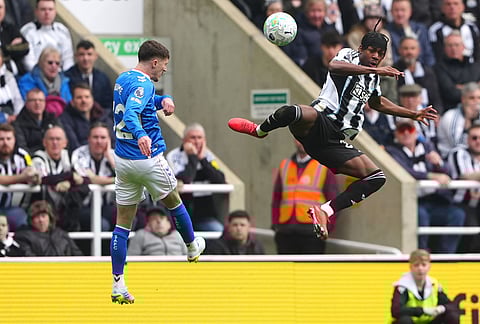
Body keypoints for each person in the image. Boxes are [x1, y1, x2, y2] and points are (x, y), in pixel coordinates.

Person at [229, 28, 438, 240]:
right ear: (361, 49)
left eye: (380, 54)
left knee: (377, 177)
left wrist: (412, 113)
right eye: (372, 51)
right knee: (292, 111)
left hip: (333, 141)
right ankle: (259, 131)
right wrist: (375, 71)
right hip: (318, 121)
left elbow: (377, 103)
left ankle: (325, 211)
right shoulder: (348, 55)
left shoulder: (372, 80)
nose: (376, 57)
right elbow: (334, 67)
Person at [110, 40, 205, 305]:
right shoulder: (144, 83)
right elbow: (131, 113)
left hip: (124, 161)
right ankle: (191, 247)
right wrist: (141, 134)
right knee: (174, 201)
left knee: (122, 225)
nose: (163, 71)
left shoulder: (124, 79)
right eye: (163, 67)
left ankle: (118, 283)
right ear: (154, 62)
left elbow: (141, 102)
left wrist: (165, 100)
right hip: (147, 158)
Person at [386, 119, 465, 253]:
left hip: (435, 199)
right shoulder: (392, 151)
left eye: (409, 129)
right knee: (421, 216)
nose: (406, 133)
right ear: (396, 134)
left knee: (457, 215)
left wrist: (439, 163)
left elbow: (448, 172)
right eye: (401, 130)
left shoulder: (428, 147)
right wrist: (430, 176)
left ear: (416, 132)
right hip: (413, 201)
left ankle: (446, 256)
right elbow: (405, 171)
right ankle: (421, 255)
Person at [272, 139, 338, 254]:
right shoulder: (285, 165)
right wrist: (275, 223)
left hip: (312, 232)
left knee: (311, 271)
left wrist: (327, 226)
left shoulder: (323, 166)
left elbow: (333, 201)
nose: (302, 142)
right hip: (285, 231)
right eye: (299, 139)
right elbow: (277, 198)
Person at [166, 122, 226, 231]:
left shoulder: (208, 156)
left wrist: (203, 159)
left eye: (200, 138)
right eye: (193, 138)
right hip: (181, 212)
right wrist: (193, 157)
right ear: (184, 140)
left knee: (218, 230)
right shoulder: (173, 156)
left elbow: (220, 179)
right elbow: (185, 179)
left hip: (205, 215)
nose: (197, 141)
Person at [31, 125, 89, 231]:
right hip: (43, 208)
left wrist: (69, 184)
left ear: (65, 143)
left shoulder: (71, 156)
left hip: (66, 209)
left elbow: (85, 179)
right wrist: (70, 176)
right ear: (44, 142)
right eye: (51, 139)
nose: (55, 143)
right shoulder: (38, 157)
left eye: (58, 139)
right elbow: (43, 179)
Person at [390, 249, 460, 323]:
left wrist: (442, 308)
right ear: (410, 267)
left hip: (429, 321)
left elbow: (452, 306)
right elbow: (396, 310)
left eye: (424, 265)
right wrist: (422, 310)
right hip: (411, 322)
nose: (420, 269)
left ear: (429, 267)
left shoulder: (434, 284)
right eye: (416, 265)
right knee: (404, 320)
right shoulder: (402, 286)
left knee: (452, 315)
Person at [71, 122, 115, 231]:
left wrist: (109, 158)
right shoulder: (79, 153)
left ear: (108, 140)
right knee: (102, 225)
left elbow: (129, 178)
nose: (99, 141)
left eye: (103, 137)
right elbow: (92, 179)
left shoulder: (114, 155)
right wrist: (118, 180)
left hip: (107, 206)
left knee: (131, 220)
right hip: (83, 206)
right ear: (88, 139)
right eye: (95, 137)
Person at [0, 123, 40, 231]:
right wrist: (21, 177)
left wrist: (35, 177)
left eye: (9, 139)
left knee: (23, 226)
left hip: (16, 209)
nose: (5, 143)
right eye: (1, 139)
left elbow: (32, 170)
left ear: (14, 140)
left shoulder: (23, 155)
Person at [447, 124, 480, 253]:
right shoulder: (458, 153)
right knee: (471, 229)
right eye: (474, 138)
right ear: (467, 139)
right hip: (459, 202)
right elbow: (463, 175)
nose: (478, 141)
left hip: (477, 203)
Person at [393, 36, 443, 114]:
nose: (409, 52)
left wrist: (437, 114)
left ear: (418, 51)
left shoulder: (428, 72)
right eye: (406, 48)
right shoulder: (394, 71)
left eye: (412, 48)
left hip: (427, 114)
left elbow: (435, 98)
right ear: (399, 50)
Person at [14, 200, 83, 256]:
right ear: (31, 220)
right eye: (37, 217)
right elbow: (29, 259)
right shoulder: (23, 236)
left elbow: (78, 256)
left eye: (43, 216)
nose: (41, 220)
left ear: (50, 218)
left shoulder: (61, 234)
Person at [20, 0, 74, 72]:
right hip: (35, 77)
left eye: (50, 9)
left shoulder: (63, 30)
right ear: (36, 11)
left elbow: (68, 60)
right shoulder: (27, 31)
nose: (47, 13)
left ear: (55, 12)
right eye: (43, 9)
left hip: (60, 76)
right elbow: (28, 62)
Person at [433, 31, 480, 111]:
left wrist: (461, 87)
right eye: (450, 45)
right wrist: (475, 86)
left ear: (463, 46)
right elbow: (451, 93)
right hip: (452, 110)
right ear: (444, 48)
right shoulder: (439, 68)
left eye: (456, 45)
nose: (453, 48)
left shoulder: (475, 66)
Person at [17, 46, 72, 113]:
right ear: (41, 63)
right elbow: (30, 105)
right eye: (50, 63)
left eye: (57, 63)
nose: (54, 66)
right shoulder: (27, 81)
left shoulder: (64, 82)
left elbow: (69, 105)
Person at [65, 40, 113, 113]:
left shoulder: (103, 78)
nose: (85, 58)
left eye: (89, 54)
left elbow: (108, 104)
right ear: (76, 56)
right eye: (82, 54)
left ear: (95, 56)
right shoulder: (67, 77)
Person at [60, 83, 110, 153]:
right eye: (79, 97)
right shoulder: (65, 119)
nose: (83, 101)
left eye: (87, 97)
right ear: (72, 102)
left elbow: (113, 142)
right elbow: (73, 146)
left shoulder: (103, 116)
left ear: (92, 99)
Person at [386, 0, 436, 67]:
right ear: (391, 12)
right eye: (396, 10)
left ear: (410, 12)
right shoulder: (387, 31)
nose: (399, 14)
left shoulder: (421, 29)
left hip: (423, 71)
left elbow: (428, 55)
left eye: (403, 10)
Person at [437, 82, 480, 158]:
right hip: (450, 159)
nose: (476, 101)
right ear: (463, 99)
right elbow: (458, 146)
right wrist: (467, 120)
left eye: (479, 98)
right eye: (472, 98)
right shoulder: (450, 117)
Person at [13, 88, 61, 153]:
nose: (37, 103)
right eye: (33, 100)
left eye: (41, 100)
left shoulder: (53, 119)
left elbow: (63, 141)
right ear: (26, 103)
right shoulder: (17, 124)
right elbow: (22, 150)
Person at [0, 0, 30, 76]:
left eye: (0, 7)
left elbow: (25, 47)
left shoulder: (10, 28)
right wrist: (11, 48)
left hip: (16, 75)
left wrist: (3, 50)